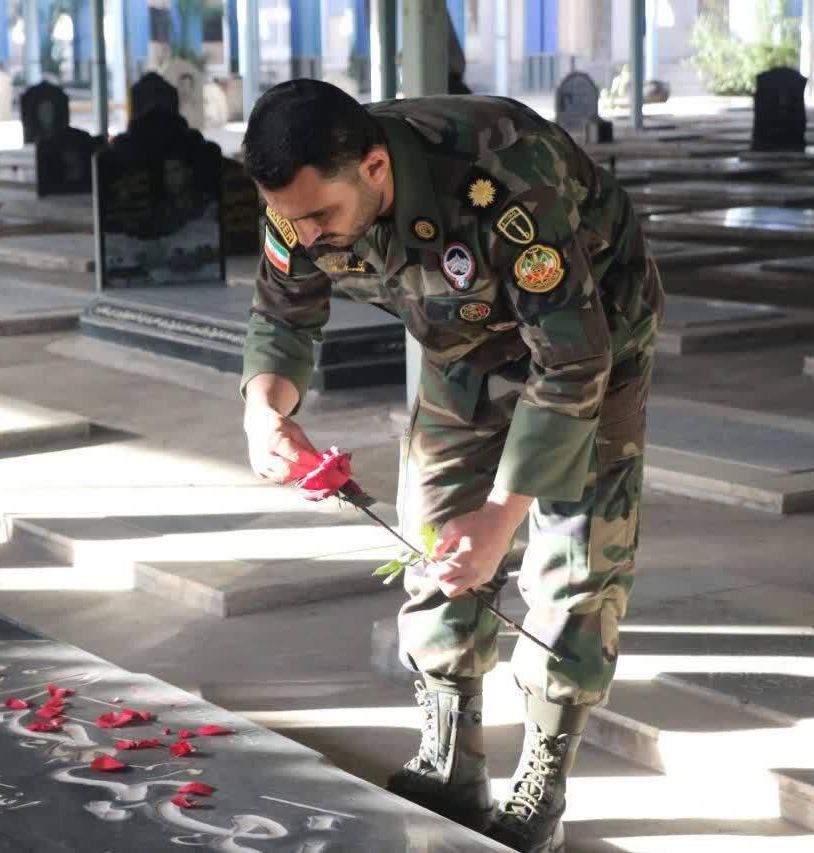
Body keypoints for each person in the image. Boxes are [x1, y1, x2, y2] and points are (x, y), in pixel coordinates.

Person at [238, 80, 664, 853]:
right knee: (434, 537)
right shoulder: (296, 200)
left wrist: (503, 514)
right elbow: (283, 313)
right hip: (461, 341)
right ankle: (452, 761)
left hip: (591, 332)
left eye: (320, 219)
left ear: (373, 168)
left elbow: (571, 361)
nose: (304, 237)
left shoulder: (502, 175)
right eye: (290, 219)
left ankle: (544, 775)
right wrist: (266, 410)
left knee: (576, 560)